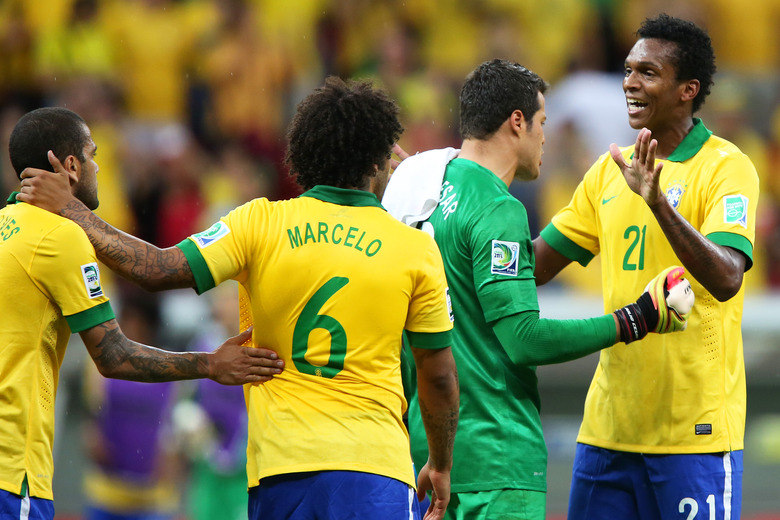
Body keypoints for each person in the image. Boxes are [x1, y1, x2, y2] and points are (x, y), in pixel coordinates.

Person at [18, 78, 461, 520]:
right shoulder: (414, 249)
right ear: (380, 158)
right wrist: (440, 463)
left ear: (304, 153)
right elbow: (438, 378)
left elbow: (153, 269)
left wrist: (73, 209)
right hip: (375, 469)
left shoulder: (259, 222)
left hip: (282, 471)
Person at [382, 59, 694, 520]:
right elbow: (523, 338)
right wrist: (636, 318)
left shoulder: (421, 189)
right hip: (496, 459)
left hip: (426, 455)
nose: (545, 136)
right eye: (542, 122)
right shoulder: (496, 207)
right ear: (517, 122)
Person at [0, 107, 283, 520]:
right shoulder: (60, 238)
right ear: (72, 166)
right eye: (93, 154)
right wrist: (210, 363)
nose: (99, 165)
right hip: (13, 468)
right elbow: (114, 355)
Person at [533, 14, 759, 519]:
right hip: (608, 432)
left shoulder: (726, 167)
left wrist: (659, 204)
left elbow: (726, 277)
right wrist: (462, 211)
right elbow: (536, 266)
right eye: (629, 70)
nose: (630, 82)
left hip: (693, 435)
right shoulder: (607, 171)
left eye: (648, 72)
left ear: (687, 90)